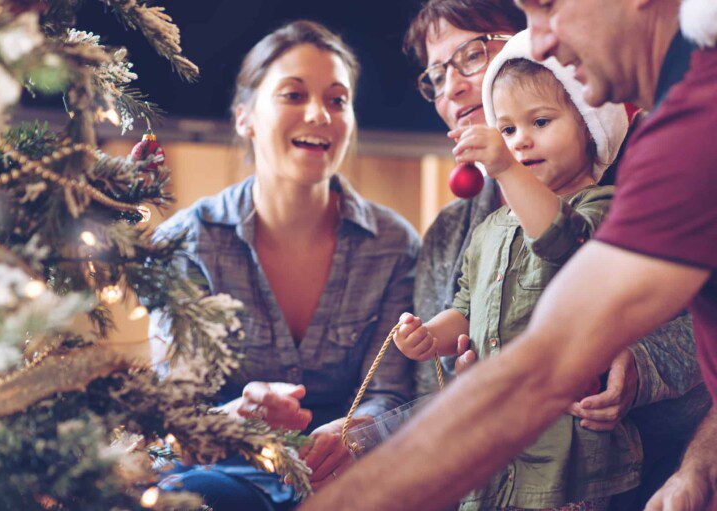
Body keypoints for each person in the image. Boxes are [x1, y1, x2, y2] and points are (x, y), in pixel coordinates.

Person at [298, 0, 717, 509]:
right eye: (435, 73)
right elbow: (463, 386)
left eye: (473, 55)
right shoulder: (457, 233)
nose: (451, 86)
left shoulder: (673, 142)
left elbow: (550, 360)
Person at [150, 20, 418, 510]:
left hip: (351, 482)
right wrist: (236, 416)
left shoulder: (394, 246)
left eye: (338, 100)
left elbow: (392, 393)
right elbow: (173, 417)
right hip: (224, 476)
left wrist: (354, 434)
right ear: (244, 117)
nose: (319, 114)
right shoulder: (185, 242)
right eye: (293, 95)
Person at [395, 29, 639, 511]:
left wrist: (506, 167)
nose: (520, 141)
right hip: (491, 453)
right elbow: (466, 307)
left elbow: (562, 242)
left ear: (590, 127)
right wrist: (430, 336)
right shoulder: (487, 230)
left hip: (572, 459)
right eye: (506, 130)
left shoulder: (607, 207)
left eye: (541, 121)